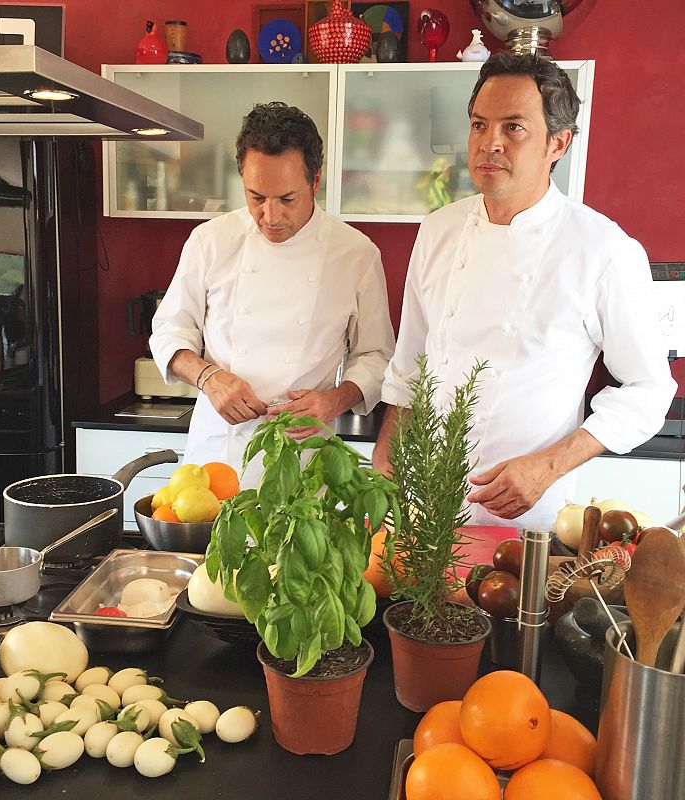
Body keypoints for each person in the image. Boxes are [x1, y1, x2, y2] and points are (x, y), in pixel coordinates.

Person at [372, 53, 676, 530]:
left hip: (525, 516)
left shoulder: (603, 250)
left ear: (558, 143)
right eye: (479, 124)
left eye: (513, 128)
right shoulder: (438, 230)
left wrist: (548, 466)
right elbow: (411, 362)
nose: (489, 142)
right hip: (420, 503)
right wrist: (386, 456)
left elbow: (649, 390)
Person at [150, 102, 395, 485]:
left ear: (315, 181)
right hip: (219, 454)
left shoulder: (356, 254)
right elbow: (169, 332)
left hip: (303, 458)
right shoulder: (210, 242)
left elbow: (376, 354)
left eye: (287, 199)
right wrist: (209, 378)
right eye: (256, 197)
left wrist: (333, 401)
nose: (271, 216)